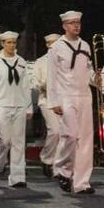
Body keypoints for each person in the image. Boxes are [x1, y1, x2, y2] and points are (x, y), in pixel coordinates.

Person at [48, 10, 104, 195]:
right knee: (70, 135)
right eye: (72, 23)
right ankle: (63, 169)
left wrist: (95, 79)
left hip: (84, 96)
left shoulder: (86, 45)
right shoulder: (56, 47)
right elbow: (52, 77)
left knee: (86, 140)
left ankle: (82, 182)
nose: (76, 26)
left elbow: (87, 70)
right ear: (64, 26)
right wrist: (53, 101)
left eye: (78, 22)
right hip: (66, 95)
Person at [0, 31, 34, 188]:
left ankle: (18, 177)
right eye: (8, 43)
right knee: (4, 140)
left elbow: (26, 85)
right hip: (2, 104)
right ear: (2, 44)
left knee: (19, 142)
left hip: (20, 104)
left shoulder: (21, 62)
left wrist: (29, 107)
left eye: (14, 43)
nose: (12, 45)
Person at [33, 34, 61, 178]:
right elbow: (34, 82)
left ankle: (58, 166)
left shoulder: (65, 60)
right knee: (55, 131)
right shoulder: (40, 62)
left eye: (55, 42)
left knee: (64, 133)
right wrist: (42, 85)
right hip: (47, 100)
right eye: (49, 43)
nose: (52, 45)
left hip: (64, 100)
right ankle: (47, 158)